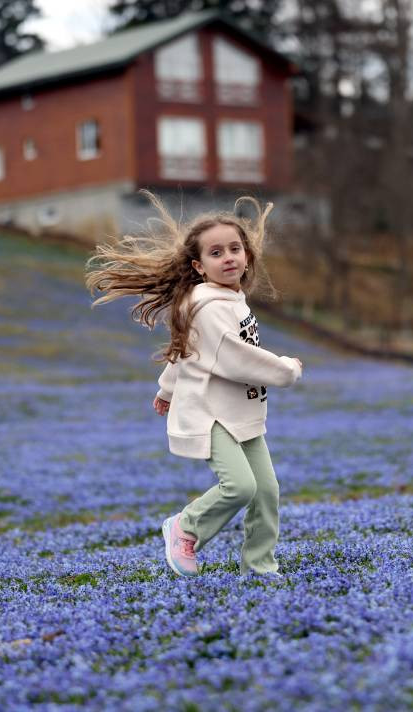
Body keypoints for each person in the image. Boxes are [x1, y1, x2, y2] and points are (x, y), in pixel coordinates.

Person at [85, 191, 303, 578]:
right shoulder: (212, 306)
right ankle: (186, 527)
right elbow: (237, 359)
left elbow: (186, 351)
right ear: (199, 266)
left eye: (235, 248)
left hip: (240, 408)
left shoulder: (227, 298)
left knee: (266, 491)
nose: (229, 257)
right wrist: (287, 370)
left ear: (248, 256)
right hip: (211, 412)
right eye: (216, 253)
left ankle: (260, 568)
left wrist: (166, 388)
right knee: (240, 487)